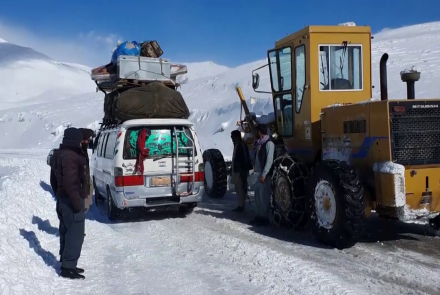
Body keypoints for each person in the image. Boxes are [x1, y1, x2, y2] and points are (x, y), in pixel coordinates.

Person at [56, 127, 87, 280]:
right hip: (70, 200)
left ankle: (67, 261)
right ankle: (68, 267)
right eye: (80, 140)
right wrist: (77, 203)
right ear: (74, 139)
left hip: (63, 198)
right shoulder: (70, 156)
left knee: (66, 231)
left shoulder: (61, 154)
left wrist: (59, 194)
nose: (82, 142)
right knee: (75, 234)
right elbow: (70, 182)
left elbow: (55, 180)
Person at [249, 124, 275, 226]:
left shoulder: (269, 144)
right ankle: (258, 215)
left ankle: (264, 218)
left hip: (264, 174)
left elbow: (269, 161)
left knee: (264, 196)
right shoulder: (259, 144)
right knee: (257, 196)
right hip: (257, 173)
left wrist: (264, 174)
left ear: (259, 132)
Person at [230, 130, 252, 213]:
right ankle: (240, 205)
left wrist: (243, 171)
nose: (231, 138)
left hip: (241, 171)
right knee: (238, 189)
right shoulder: (237, 144)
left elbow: (245, 159)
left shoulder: (242, 145)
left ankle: (242, 206)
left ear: (236, 136)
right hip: (236, 170)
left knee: (241, 189)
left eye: (232, 136)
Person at [79, 128, 94, 212]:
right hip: (81, 189)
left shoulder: (84, 149)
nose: (88, 141)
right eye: (87, 139)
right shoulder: (78, 151)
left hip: (85, 186)